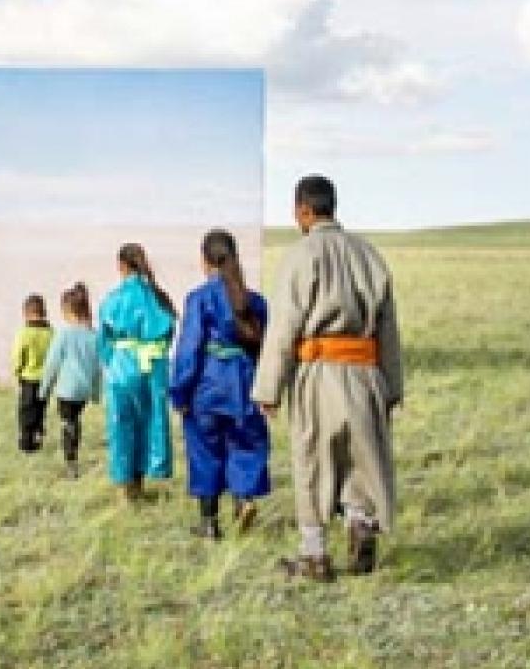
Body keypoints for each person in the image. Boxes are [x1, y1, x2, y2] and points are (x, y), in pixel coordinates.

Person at [252, 175, 404, 581]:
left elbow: (284, 324)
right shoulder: (369, 254)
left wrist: (269, 387)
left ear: (304, 210)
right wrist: (392, 386)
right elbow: (388, 327)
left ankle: (314, 556)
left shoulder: (301, 255)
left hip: (319, 373)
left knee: (313, 461)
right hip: (367, 372)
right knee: (360, 456)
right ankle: (359, 525)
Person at [170, 229, 272, 540]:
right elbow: (266, 349)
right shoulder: (254, 301)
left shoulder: (198, 299)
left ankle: (209, 524)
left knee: (205, 450)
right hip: (244, 383)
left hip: (207, 386)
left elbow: (188, 349)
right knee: (245, 445)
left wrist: (179, 392)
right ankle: (243, 500)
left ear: (205, 260)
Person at [97, 243, 177, 504]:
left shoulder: (113, 299)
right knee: (148, 422)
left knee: (122, 424)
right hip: (153, 367)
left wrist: (112, 360)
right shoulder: (158, 297)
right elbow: (169, 331)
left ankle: (125, 489)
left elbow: (104, 339)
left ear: (121, 266)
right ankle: (141, 482)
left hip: (123, 366)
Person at [39, 283, 103, 477]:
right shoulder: (94, 336)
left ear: (68, 312)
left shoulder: (64, 335)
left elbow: (52, 363)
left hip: (66, 390)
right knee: (75, 419)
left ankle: (71, 461)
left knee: (68, 422)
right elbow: (97, 368)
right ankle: (73, 449)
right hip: (83, 391)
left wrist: (44, 388)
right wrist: (96, 392)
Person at [12, 293, 54, 453]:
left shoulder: (24, 334)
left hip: (28, 378)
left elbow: (17, 355)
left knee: (26, 409)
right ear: (44, 312)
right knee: (40, 408)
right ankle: (38, 433)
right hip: (45, 379)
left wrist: (17, 371)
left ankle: (26, 440)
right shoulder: (51, 333)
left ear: (26, 313)